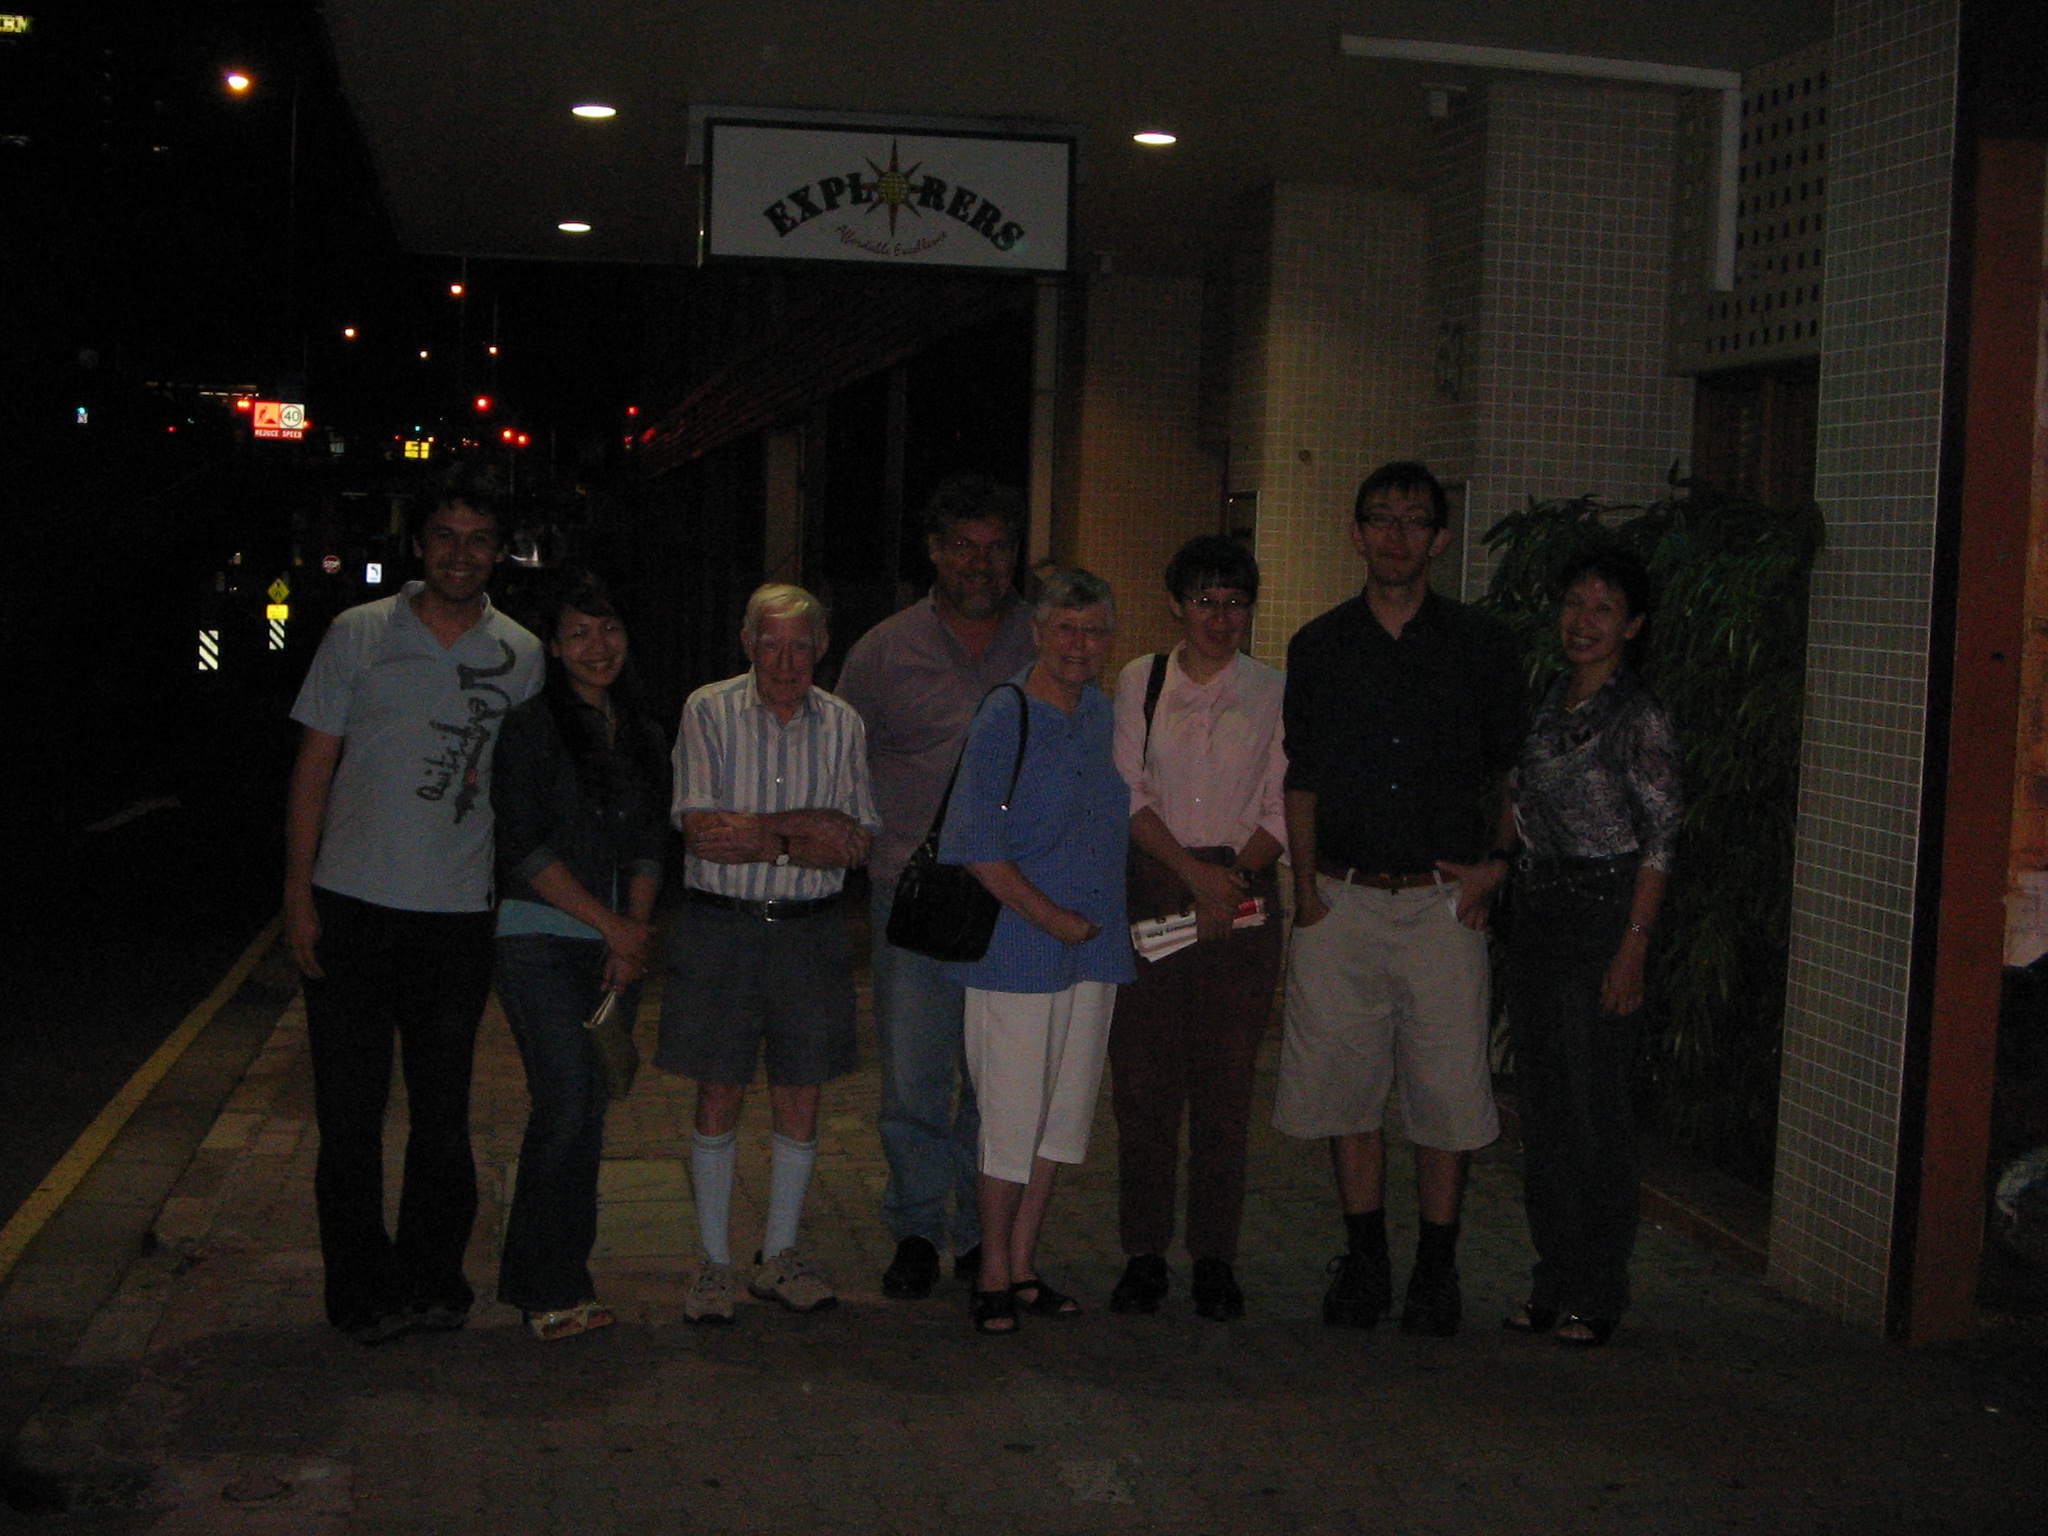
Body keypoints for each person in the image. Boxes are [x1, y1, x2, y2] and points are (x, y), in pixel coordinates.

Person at [284, 478, 544, 1343]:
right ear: (419, 543)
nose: (460, 554)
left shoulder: (522, 654)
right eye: (444, 536)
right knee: (349, 1120)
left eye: (478, 539)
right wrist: (298, 895)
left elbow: (529, 789)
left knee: (442, 1117)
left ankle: (433, 1279)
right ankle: (359, 1292)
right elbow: (314, 768)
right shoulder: (358, 634)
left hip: (455, 917)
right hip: (351, 909)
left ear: (499, 551)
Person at [1275, 460, 1523, 1336]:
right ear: (1355, 533)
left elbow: (1514, 770)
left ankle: (1437, 1271)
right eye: (1380, 518)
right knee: (1347, 1094)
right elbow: (1301, 778)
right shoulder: (1319, 646)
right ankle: (1367, 1261)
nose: (1395, 535)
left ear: (1440, 539)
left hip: (1441, 905)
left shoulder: (1481, 645)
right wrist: (1306, 896)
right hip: (1340, 899)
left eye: (1414, 520)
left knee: (1447, 1099)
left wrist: (1498, 864)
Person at [837, 476, 1037, 1299]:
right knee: (915, 1076)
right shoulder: (884, 651)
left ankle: (981, 1230)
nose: (979, 563)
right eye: (962, 545)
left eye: (996, 547)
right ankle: (917, 1227)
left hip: (1016, 902)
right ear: (933, 551)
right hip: (914, 898)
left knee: (997, 1078)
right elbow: (843, 764)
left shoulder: (1046, 640)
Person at [658, 583, 879, 1325]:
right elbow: (703, 833)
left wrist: (762, 834)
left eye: (800, 645)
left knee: (801, 1090)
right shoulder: (707, 710)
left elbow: (853, 844)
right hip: (723, 925)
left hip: (811, 930)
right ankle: (713, 1261)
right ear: (747, 643)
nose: (786, 661)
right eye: (771, 643)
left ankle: (778, 1254)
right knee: (718, 1089)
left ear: (823, 647)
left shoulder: (844, 723)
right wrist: (803, 832)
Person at [939, 569, 1134, 1335]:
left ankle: (1023, 1265)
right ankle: (990, 1271)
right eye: (1065, 629)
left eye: (1094, 630)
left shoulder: (1102, 716)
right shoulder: (1006, 714)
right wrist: (1050, 918)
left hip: (1093, 953)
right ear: (1038, 633)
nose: (1080, 644)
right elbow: (973, 845)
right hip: (1018, 952)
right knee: (1010, 1120)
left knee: (1061, 1118)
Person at [1501, 549, 1681, 1348]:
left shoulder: (1637, 714)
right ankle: (1553, 1278)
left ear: (1633, 626)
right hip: (1538, 909)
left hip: (1606, 912)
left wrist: (1633, 947)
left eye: (1603, 608)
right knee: (1542, 1108)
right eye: (1574, 603)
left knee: (1593, 1109)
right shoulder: (1550, 698)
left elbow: (1661, 839)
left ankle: (1598, 1289)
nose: (1582, 621)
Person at [1106, 535, 1287, 1321]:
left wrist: (1230, 882)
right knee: (1143, 1088)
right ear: (1175, 604)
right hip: (1155, 885)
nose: (1221, 617)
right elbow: (1126, 791)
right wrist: (1193, 875)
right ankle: (1143, 1254)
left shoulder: (1275, 690)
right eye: (1205, 600)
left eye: (1236, 602)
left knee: (1225, 1090)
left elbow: (1283, 803)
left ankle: (1215, 1256)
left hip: (1244, 897)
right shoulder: (1140, 680)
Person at [490, 573, 668, 1341]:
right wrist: (610, 925)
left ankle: (565, 1279)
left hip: (613, 947)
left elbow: (649, 843)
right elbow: (522, 847)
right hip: (538, 939)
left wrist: (632, 934)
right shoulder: (530, 729)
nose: (598, 647)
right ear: (555, 649)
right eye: (579, 634)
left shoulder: (643, 732)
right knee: (563, 1100)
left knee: (590, 1110)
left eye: (609, 629)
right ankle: (543, 1287)